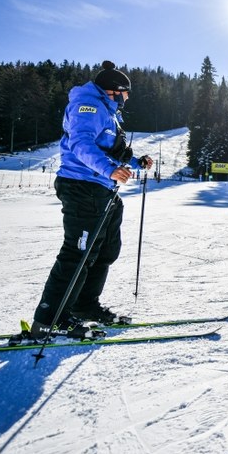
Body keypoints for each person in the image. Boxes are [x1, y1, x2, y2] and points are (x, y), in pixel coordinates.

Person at [30, 61, 153, 339]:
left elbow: (111, 148)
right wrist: (110, 169)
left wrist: (136, 160)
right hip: (81, 186)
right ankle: (50, 319)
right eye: (126, 92)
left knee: (106, 249)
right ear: (113, 91)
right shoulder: (89, 106)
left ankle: (84, 306)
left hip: (101, 190)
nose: (127, 98)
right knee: (78, 252)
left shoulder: (108, 114)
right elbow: (81, 144)